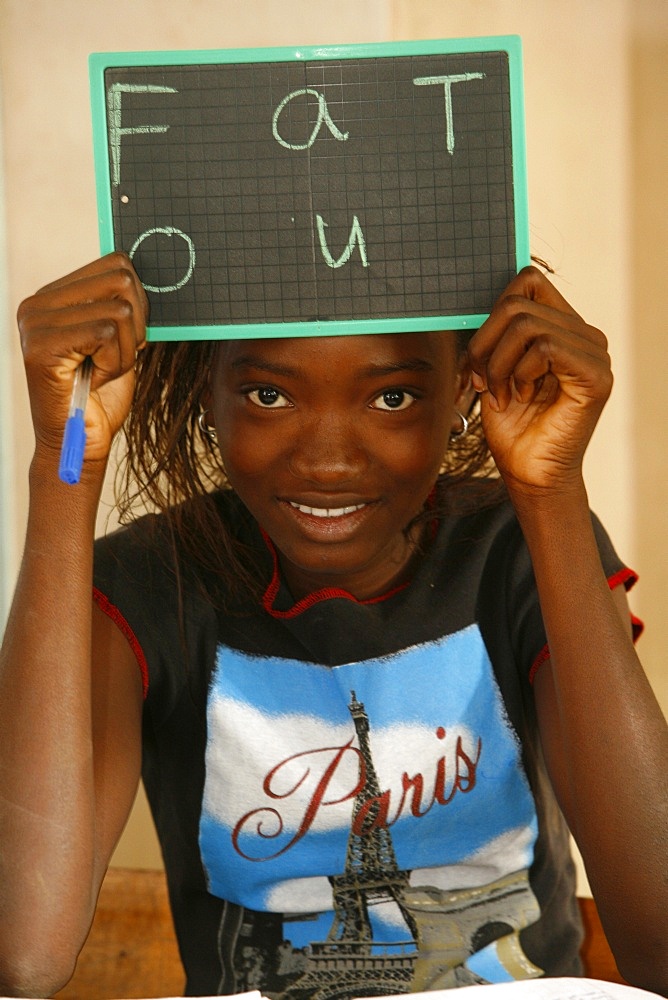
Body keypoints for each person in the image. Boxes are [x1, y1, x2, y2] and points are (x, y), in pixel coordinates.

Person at [0, 254, 666, 999]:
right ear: (204, 396)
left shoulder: (520, 549)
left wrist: (553, 489)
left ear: (462, 393)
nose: (327, 460)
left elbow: (662, 947)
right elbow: (26, 955)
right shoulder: (144, 585)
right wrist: (67, 463)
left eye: (393, 397)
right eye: (266, 393)